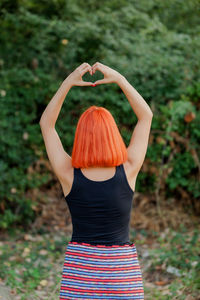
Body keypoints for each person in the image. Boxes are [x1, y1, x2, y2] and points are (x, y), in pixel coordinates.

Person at [39, 62, 153, 299]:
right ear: (113, 135)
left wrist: (67, 82)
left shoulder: (69, 174)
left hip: (79, 278)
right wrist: (120, 78)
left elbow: (47, 125)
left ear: (80, 138)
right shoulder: (129, 169)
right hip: (123, 278)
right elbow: (146, 117)